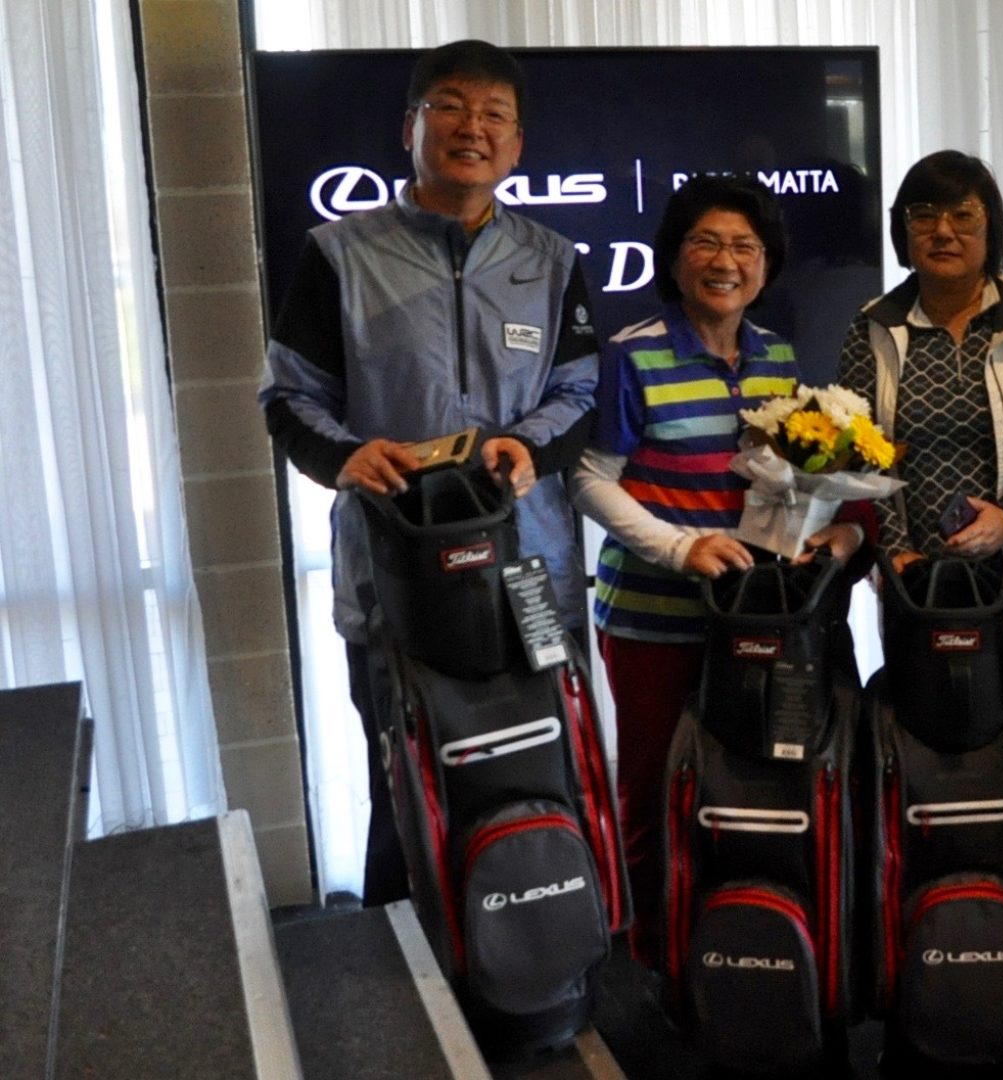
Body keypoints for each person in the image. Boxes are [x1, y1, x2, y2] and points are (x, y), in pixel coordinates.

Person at [258, 40, 599, 905]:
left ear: (517, 146)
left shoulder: (552, 260)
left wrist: (530, 447)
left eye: (493, 115)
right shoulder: (340, 254)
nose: (470, 128)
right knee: (404, 789)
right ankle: (400, 974)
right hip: (395, 578)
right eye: (449, 106)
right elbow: (289, 398)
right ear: (410, 126)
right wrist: (345, 456)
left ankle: (546, 956)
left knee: (540, 777)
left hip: (528, 573)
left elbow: (580, 392)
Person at [570, 174, 862, 967]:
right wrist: (680, 547)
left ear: (766, 265)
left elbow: (777, 482)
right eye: (705, 243)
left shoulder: (776, 357)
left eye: (744, 246)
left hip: (750, 620)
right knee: (651, 784)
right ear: (673, 257)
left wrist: (816, 529)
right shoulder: (632, 354)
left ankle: (733, 943)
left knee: (737, 786)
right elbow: (589, 478)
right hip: (653, 617)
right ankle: (655, 955)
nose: (725, 261)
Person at [836, 150, 1003, 624]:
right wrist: (895, 550)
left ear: (990, 227)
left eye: (963, 215)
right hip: (914, 576)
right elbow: (858, 450)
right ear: (902, 230)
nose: (943, 231)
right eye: (923, 215)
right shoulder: (873, 327)